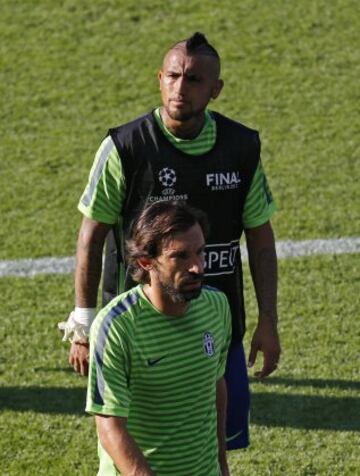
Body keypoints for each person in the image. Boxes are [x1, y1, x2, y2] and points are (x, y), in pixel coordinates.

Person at [59, 32, 281, 450]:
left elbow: (261, 238)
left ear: (215, 89)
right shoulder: (125, 147)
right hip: (138, 329)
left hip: (217, 322)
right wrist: (84, 323)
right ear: (160, 78)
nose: (181, 88)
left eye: (194, 79)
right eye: (174, 76)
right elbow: (92, 236)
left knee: (213, 444)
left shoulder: (240, 148)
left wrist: (268, 318)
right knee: (140, 441)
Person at [86, 201, 231, 476]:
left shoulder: (217, 307)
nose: (197, 267)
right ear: (146, 261)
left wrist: (221, 464)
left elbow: (215, 386)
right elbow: (109, 426)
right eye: (181, 256)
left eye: (200, 253)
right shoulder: (116, 327)